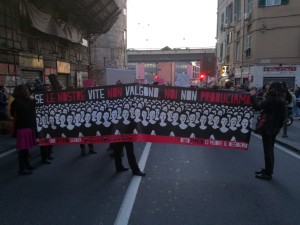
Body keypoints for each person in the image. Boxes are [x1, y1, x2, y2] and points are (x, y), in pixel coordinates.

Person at [250, 82, 286, 180]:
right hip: (274, 128)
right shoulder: (281, 100)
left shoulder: (270, 99)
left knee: (268, 151)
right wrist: (279, 128)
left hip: (267, 127)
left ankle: (268, 173)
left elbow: (257, 107)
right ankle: (267, 170)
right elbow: (283, 116)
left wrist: (253, 96)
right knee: (270, 150)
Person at [11, 85, 37, 175]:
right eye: (26, 89)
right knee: (23, 149)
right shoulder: (17, 102)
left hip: (27, 126)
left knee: (26, 149)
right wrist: (32, 101)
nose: (28, 91)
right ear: (23, 91)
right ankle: (21, 169)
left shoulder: (23, 100)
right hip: (23, 127)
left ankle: (27, 164)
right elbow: (26, 109)